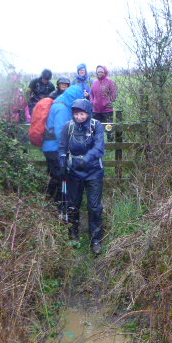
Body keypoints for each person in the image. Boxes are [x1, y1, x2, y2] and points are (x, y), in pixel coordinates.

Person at [59, 98, 105, 255]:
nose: (79, 117)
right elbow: (62, 147)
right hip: (74, 172)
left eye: (82, 114)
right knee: (73, 204)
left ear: (88, 113)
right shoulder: (68, 127)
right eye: (76, 114)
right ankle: (73, 234)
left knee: (94, 206)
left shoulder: (95, 126)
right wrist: (62, 163)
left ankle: (96, 239)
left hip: (94, 171)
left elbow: (99, 148)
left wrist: (85, 160)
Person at [42, 85, 86, 214]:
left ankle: (50, 204)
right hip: (54, 149)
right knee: (60, 176)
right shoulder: (62, 109)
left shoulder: (60, 102)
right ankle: (57, 206)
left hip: (51, 147)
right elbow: (61, 132)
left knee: (55, 176)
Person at [89, 65, 118, 141]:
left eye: (101, 71)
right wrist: (92, 101)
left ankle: (110, 143)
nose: (100, 73)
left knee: (109, 128)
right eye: (98, 72)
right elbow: (91, 94)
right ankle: (98, 144)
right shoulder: (94, 83)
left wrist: (107, 102)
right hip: (96, 110)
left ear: (105, 72)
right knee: (96, 129)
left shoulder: (110, 82)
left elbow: (114, 94)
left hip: (107, 110)